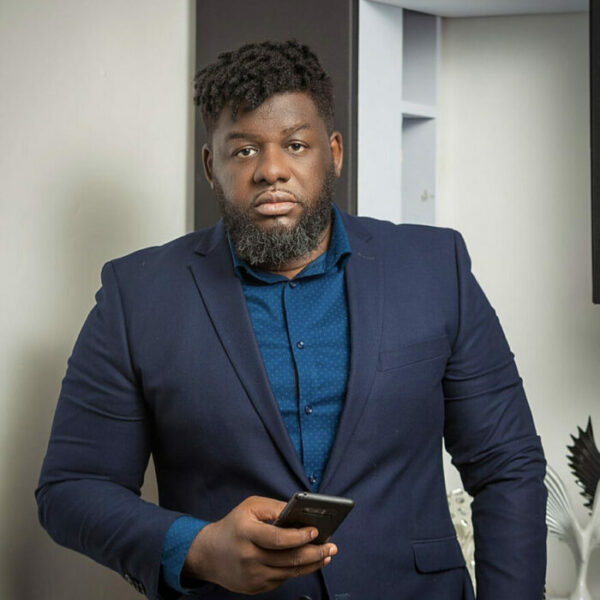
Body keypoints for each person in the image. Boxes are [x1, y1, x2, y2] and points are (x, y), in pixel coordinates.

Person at [36, 40, 547, 600]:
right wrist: (198, 547)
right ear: (211, 167)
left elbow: (507, 464)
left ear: (333, 153)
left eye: (296, 145)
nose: (271, 170)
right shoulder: (136, 295)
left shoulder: (433, 267)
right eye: (243, 150)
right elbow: (73, 487)